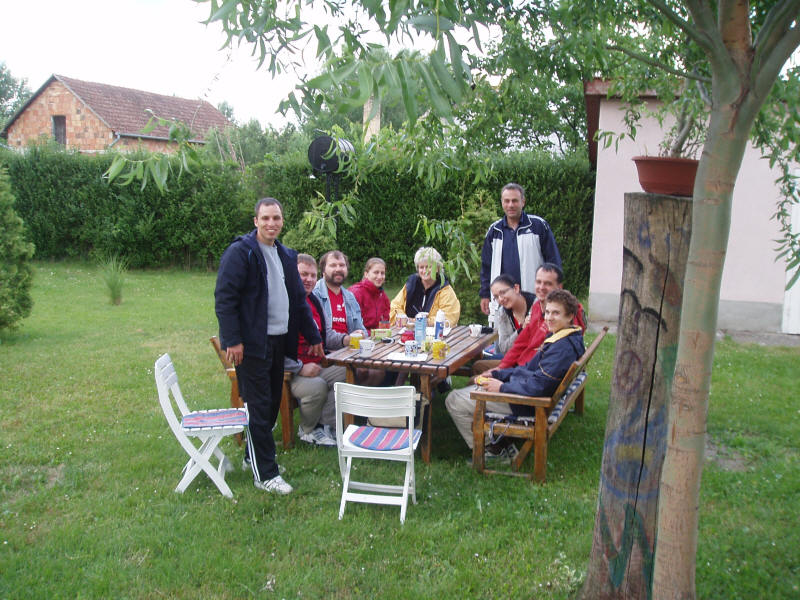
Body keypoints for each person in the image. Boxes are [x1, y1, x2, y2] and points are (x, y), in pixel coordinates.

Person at [215, 198, 323, 494]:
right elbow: (225, 299)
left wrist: (313, 336)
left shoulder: (286, 255)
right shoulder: (241, 253)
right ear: (256, 221)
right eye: (265, 218)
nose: (271, 223)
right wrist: (233, 340)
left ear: (282, 221)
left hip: (279, 341)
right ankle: (265, 474)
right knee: (259, 406)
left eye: (276, 218)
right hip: (251, 344)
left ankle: (253, 458)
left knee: (273, 402)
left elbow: (299, 301)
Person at [446, 289, 585, 456]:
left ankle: (494, 450)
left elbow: (538, 387)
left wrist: (501, 388)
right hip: (525, 394)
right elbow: (528, 370)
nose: (549, 317)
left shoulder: (561, 349)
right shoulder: (566, 338)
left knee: (454, 399)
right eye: (547, 312)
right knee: (474, 382)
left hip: (526, 404)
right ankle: (496, 440)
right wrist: (498, 375)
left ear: (570, 316)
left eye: (556, 313)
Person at [284, 254, 352, 447]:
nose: (309, 279)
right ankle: (307, 430)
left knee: (347, 372)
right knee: (317, 386)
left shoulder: (313, 301)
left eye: (312, 275)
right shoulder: (284, 303)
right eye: (303, 274)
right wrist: (300, 368)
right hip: (288, 371)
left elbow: (321, 338)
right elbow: (274, 349)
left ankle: (325, 425)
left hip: (315, 364)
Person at [472, 263, 586, 377]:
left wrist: (503, 375)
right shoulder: (536, 307)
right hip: (522, 367)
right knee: (478, 367)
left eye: (548, 283)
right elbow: (520, 343)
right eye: (538, 282)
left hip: (529, 374)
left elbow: (548, 366)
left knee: (475, 379)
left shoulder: (563, 319)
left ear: (559, 287)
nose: (541, 287)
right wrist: (501, 368)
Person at [479, 182, 562, 317]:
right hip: (502, 301)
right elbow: (486, 266)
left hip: (533, 298)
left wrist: (554, 292)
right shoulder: (494, 230)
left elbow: (553, 262)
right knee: (503, 330)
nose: (510, 205)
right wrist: (484, 294)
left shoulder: (538, 226)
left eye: (515, 201)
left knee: (533, 328)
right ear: (502, 202)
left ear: (523, 202)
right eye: (507, 201)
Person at [389, 247, 460, 326]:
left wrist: (423, 322)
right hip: (408, 330)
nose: (424, 271)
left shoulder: (445, 289)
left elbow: (449, 318)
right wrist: (403, 318)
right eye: (421, 267)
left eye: (428, 267)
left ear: (437, 268)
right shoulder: (411, 284)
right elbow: (395, 306)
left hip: (435, 332)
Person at [312, 250, 368, 339]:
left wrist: (361, 333)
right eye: (333, 265)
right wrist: (346, 339)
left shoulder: (350, 297)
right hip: (325, 347)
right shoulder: (314, 295)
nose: (338, 269)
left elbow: (362, 329)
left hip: (350, 346)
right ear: (323, 271)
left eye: (342, 265)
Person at [486, 273, 536, 358]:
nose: (500, 299)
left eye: (503, 292)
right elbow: (504, 349)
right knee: (480, 363)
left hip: (534, 359)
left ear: (516, 288)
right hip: (514, 358)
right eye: (496, 297)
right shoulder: (502, 313)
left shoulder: (537, 306)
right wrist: (521, 331)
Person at [349, 257, 391, 333]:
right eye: (376, 272)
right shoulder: (356, 293)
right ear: (366, 274)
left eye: (382, 273)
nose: (380, 277)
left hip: (377, 336)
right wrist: (374, 333)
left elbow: (385, 322)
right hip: (360, 337)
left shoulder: (382, 295)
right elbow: (352, 326)